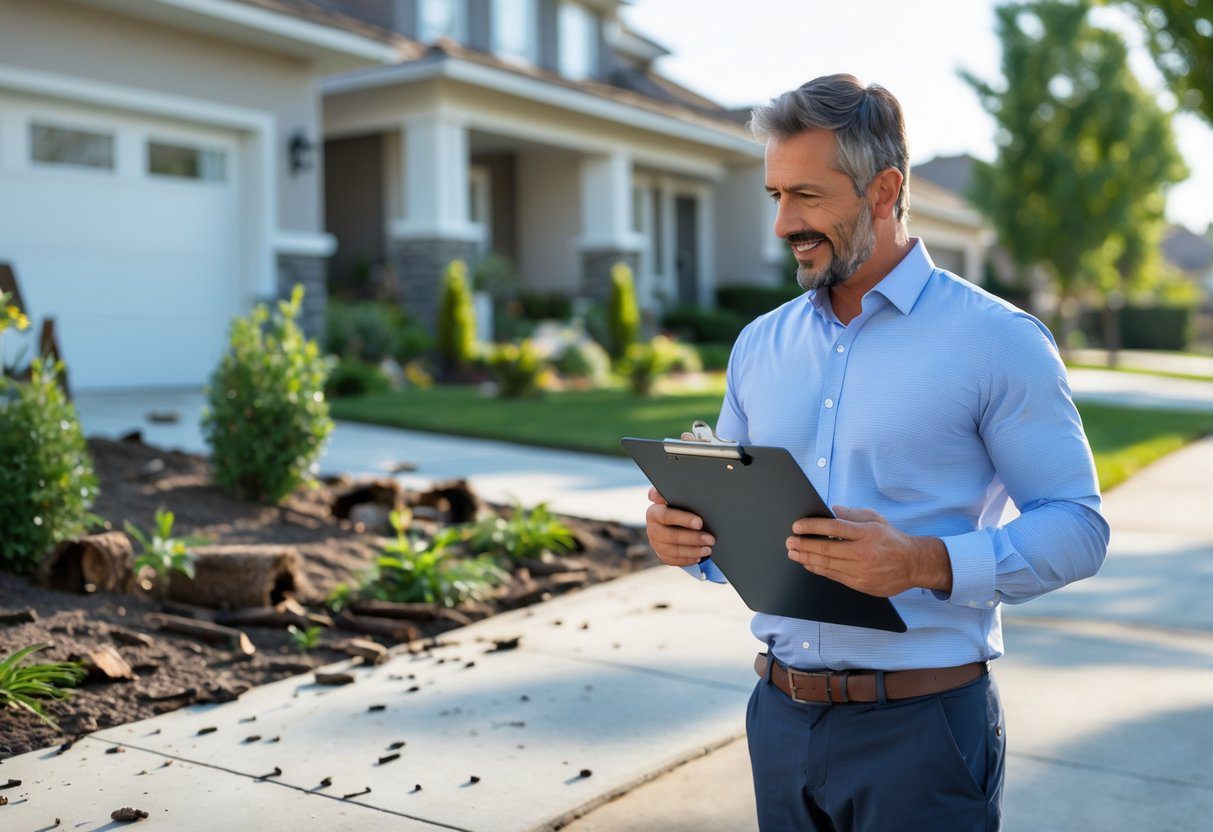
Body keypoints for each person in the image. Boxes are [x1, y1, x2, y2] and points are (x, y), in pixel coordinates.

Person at [644, 74, 1109, 832]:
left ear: (883, 190)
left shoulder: (995, 340)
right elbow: (734, 511)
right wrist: (687, 540)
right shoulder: (759, 344)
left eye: (807, 196)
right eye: (774, 197)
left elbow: (1077, 527)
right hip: (777, 719)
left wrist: (925, 562)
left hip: (921, 733)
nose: (782, 224)